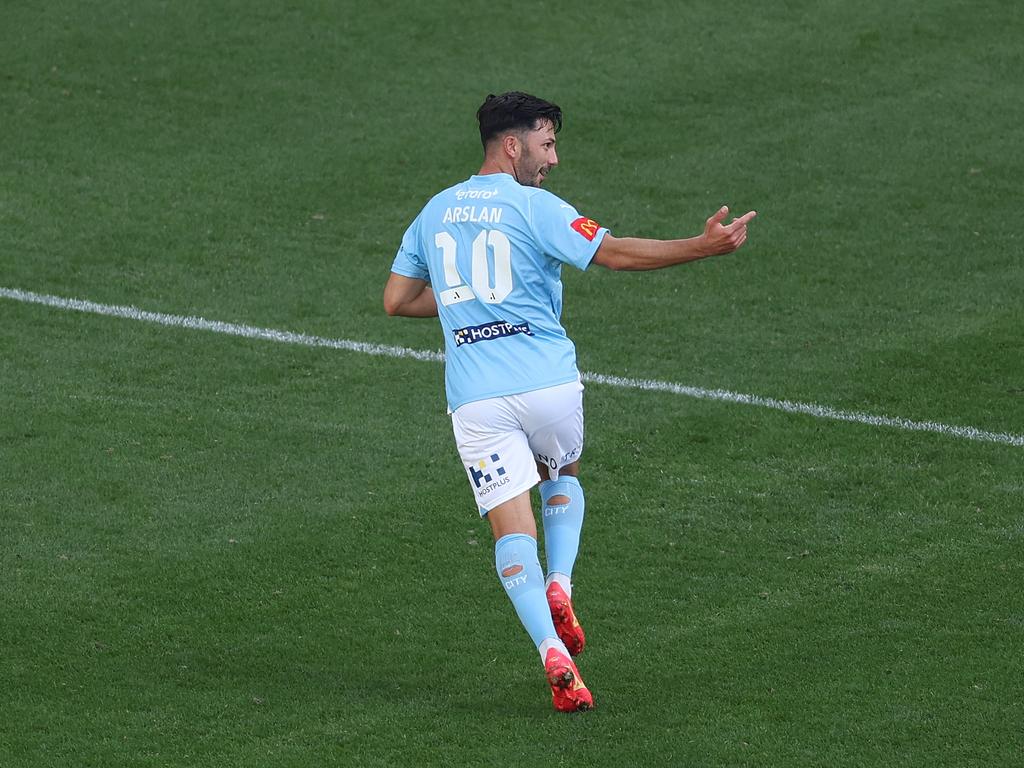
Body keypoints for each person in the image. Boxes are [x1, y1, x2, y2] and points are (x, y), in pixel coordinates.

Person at [384, 91, 756, 712]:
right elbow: (611, 252)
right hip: (548, 385)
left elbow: (396, 299)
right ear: (513, 143)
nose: (552, 159)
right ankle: (562, 581)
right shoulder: (534, 207)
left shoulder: (435, 211)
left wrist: (465, 305)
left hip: (475, 401)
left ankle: (550, 653)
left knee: (509, 534)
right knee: (561, 475)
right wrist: (701, 246)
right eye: (547, 143)